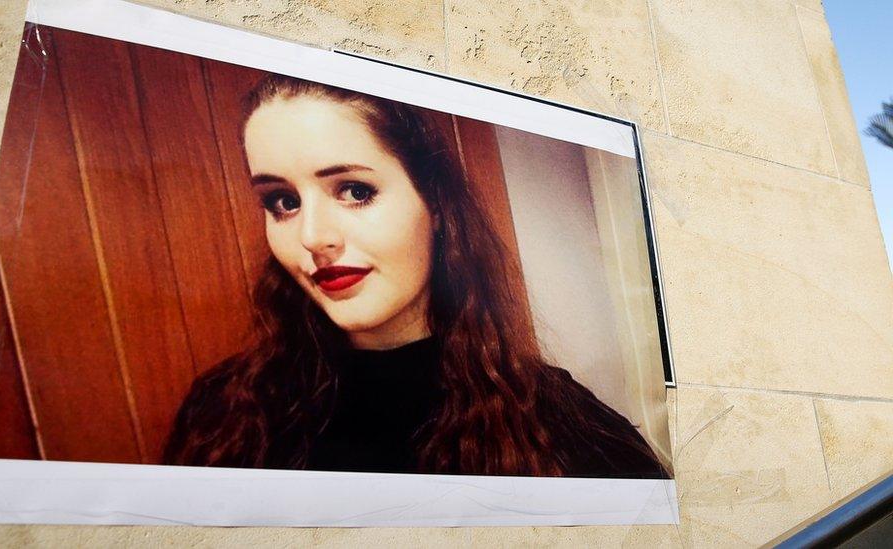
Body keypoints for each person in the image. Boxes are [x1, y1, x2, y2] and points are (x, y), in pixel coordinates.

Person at [163, 73, 668, 478]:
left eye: (355, 191)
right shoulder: (225, 415)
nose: (314, 237)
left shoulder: (558, 424)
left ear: (435, 206)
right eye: (283, 202)